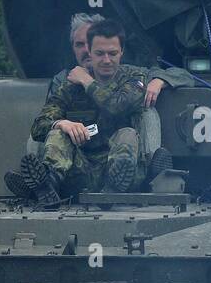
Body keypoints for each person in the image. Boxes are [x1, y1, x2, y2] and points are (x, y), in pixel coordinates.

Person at [12, 19, 149, 206]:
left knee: (128, 134)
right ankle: (47, 184)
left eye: (112, 53)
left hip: (120, 170)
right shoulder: (70, 86)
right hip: (79, 169)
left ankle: (111, 192)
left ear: (122, 52)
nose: (106, 60)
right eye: (100, 54)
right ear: (90, 53)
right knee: (58, 132)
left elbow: (117, 105)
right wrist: (62, 124)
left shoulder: (134, 80)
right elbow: (38, 126)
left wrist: (87, 81)